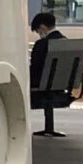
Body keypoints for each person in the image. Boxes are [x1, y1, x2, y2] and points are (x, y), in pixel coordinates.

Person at [29, 10, 65, 138]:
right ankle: (50, 128)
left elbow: (35, 67)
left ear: (43, 27)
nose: (39, 34)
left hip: (42, 84)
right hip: (60, 84)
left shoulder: (42, 44)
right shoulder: (65, 41)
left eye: (38, 31)